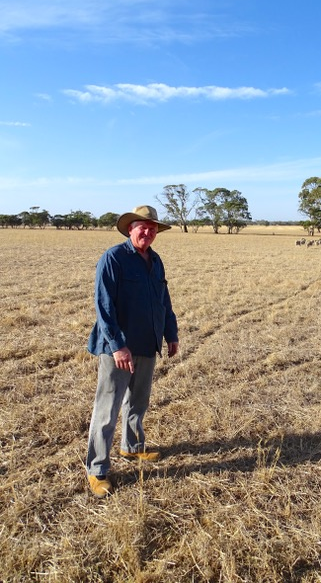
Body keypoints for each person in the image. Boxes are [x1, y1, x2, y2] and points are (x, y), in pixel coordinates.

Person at [85, 205, 179, 498]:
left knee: (138, 401)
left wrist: (170, 332)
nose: (148, 232)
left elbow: (163, 299)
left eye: (152, 229)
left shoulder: (156, 260)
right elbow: (104, 307)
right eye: (142, 227)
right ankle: (97, 470)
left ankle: (132, 447)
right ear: (130, 229)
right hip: (118, 348)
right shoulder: (113, 258)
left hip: (147, 343)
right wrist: (117, 346)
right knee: (108, 408)